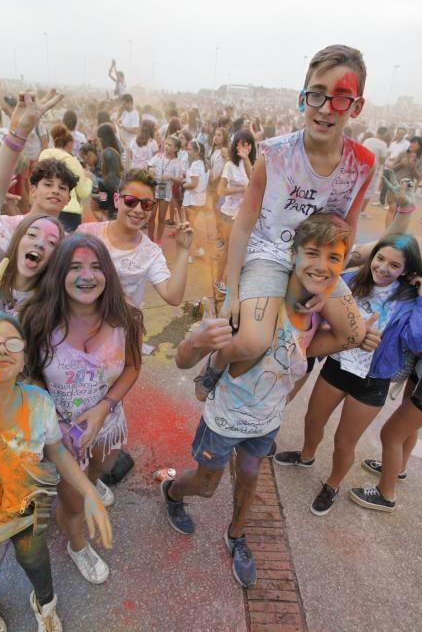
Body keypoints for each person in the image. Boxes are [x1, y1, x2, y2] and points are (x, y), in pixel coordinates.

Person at [162, 213, 355, 588]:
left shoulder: (314, 324)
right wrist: (198, 342)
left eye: (334, 258)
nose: (322, 265)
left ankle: (236, 535)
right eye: (312, 253)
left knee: (249, 479)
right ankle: (171, 491)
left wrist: (338, 299)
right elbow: (183, 360)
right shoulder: (251, 309)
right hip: (223, 423)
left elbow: (347, 335)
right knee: (206, 485)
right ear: (292, 256)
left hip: (265, 424)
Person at [194, 44, 373, 400]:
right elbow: (243, 225)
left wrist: (326, 286)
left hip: (317, 260)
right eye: (317, 96)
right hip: (270, 251)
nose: (325, 109)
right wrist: (231, 293)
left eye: (340, 98)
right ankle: (217, 364)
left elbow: (348, 229)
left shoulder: (362, 163)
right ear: (302, 98)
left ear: (357, 106)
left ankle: (287, 352)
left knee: (354, 333)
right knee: (250, 340)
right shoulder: (274, 153)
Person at [0, 262, 111, 631]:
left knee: (36, 559)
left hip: (28, 505)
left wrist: (88, 491)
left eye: (13, 343)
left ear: (24, 358)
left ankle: (45, 604)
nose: (2, 349)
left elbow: (57, 451)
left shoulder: (38, 401)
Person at [274, 233, 422, 515]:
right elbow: (318, 300)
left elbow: (420, 341)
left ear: (405, 269)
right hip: (337, 366)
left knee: (344, 442)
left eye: (394, 265)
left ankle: (332, 485)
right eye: (380, 258)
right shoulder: (352, 279)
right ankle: (306, 457)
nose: (383, 268)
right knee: (313, 420)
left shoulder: (409, 300)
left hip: (372, 381)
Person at [21, 234, 142, 585]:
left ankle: (92, 483)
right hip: (61, 441)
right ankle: (77, 545)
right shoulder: (36, 319)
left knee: (96, 475)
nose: (86, 276)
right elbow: (28, 379)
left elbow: (133, 367)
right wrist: (54, 427)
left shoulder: (126, 316)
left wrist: (105, 407)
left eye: (95, 266)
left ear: (108, 273)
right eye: (74, 267)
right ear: (59, 274)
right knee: (73, 505)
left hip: (108, 427)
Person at [0, 90, 67, 316]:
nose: (40, 244)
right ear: (16, 239)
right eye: (31, 235)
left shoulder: (54, 297)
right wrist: (20, 132)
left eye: (52, 242)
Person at [77, 169, 193, 308]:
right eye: (130, 201)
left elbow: (173, 297)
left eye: (146, 204)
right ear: (116, 200)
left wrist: (183, 250)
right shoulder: (87, 233)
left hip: (123, 326)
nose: (138, 210)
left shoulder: (150, 252)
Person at [0, 157, 77, 264]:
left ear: (68, 199)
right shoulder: (3, 226)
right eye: (48, 184)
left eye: (62, 188)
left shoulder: (67, 244)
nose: (55, 191)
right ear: (33, 190)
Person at [350, 361, 422, 512]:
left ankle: (385, 495)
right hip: (421, 368)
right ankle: (398, 469)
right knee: (409, 420)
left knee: (391, 435)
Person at [215, 130, 255, 294]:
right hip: (229, 214)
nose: (244, 147)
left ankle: (235, 281)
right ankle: (219, 281)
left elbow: (254, 182)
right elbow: (220, 191)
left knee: (242, 251)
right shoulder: (229, 165)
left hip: (246, 216)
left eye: (247, 144)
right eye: (240, 143)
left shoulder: (254, 164)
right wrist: (240, 189)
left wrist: (246, 159)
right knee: (229, 250)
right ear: (235, 145)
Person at [39, 124, 93, 231]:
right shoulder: (72, 162)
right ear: (69, 144)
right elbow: (83, 192)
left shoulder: (43, 155)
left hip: (44, 205)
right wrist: (88, 179)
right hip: (68, 210)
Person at [148, 135, 182, 243]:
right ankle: (150, 239)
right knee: (151, 216)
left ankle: (158, 240)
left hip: (165, 191)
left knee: (162, 217)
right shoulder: (158, 156)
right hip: (154, 188)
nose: (166, 146)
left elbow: (180, 179)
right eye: (166, 144)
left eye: (170, 145)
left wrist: (171, 177)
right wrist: (151, 170)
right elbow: (149, 166)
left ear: (176, 148)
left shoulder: (177, 162)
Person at [182, 139, 209, 259]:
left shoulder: (195, 164)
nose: (188, 152)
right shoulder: (204, 164)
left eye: (189, 149)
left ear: (197, 151)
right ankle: (199, 249)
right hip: (199, 199)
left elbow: (193, 184)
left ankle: (191, 253)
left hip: (192, 199)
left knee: (189, 226)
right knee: (191, 225)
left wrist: (184, 184)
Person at [360, 126, 388, 217]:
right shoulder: (383, 144)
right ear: (385, 134)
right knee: (368, 191)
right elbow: (383, 160)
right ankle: (361, 211)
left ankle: (352, 209)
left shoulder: (368, 140)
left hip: (361, 167)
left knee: (358, 188)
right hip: (373, 169)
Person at [92, 147, 122, 221]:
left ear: (104, 164)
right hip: (124, 215)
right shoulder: (125, 179)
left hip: (111, 216)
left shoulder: (103, 183)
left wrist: (97, 198)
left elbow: (103, 204)